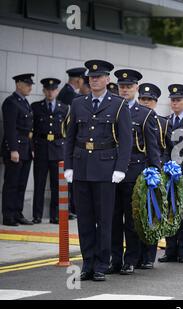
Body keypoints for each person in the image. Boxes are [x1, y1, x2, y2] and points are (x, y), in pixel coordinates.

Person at [64, 59, 132, 281]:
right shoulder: (78, 103)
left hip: (105, 169)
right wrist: (69, 166)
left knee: (104, 220)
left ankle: (102, 264)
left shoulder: (118, 104)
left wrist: (120, 168)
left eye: (99, 77)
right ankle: (88, 263)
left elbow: (126, 139)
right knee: (84, 219)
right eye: (91, 77)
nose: (94, 80)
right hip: (82, 166)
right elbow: (70, 138)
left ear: (107, 79)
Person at [109, 69, 161, 275]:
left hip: (135, 173)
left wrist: (154, 173)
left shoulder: (145, 113)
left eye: (129, 87)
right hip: (112, 172)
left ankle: (130, 259)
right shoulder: (110, 109)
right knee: (113, 220)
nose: (125, 90)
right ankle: (115, 259)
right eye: (122, 86)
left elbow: (153, 147)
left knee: (131, 221)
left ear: (136, 89)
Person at [158, 84, 183, 264]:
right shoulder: (166, 121)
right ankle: (170, 249)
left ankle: (182, 250)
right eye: (173, 100)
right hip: (169, 172)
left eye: (178, 100)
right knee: (169, 211)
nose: (175, 103)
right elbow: (163, 147)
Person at [136, 82, 173, 269]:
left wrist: (161, 170)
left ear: (155, 102)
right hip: (135, 172)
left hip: (154, 174)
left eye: (149, 100)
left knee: (151, 215)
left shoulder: (164, 123)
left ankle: (149, 255)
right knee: (136, 215)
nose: (145, 102)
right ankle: (135, 255)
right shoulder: (131, 117)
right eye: (143, 99)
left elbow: (168, 149)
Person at [31, 78, 69, 224]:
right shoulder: (36, 107)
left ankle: (55, 215)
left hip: (58, 149)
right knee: (39, 184)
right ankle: (37, 215)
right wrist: (32, 148)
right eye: (47, 89)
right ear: (43, 91)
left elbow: (68, 131)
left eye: (53, 90)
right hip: (41, 148)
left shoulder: (64, 108)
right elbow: (31, 130)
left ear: (57, 91)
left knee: (57, 185)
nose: (50, 92)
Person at [1, 73, 35, 226]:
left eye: (30, 84)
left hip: (25, 148)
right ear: (18, 84)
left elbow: (29, 129)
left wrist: (31, 148)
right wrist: (13, 149)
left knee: (22, 184)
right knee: (12, 184)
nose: (30, 87)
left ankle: (17, 213)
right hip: (16, 149)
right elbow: (10, 128)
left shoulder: (24, 102)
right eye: (27, 84)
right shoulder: (11, 102)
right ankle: (8, 216)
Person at [58, 67, 86, 221]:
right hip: (67, 141)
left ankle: (69, 209)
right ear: (78, 80)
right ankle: (66, 209)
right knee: (67, 181)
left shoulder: (67, 93)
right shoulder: (70, 95)